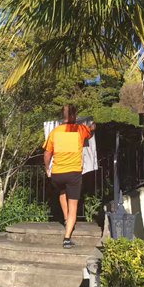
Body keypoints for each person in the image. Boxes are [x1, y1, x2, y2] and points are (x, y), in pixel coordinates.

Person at [43, 105, 96, 248]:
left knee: (62, 191)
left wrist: (47, 168)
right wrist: (92, 125)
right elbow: (91, 130)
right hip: (73, 173)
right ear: (74, 116)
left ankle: (66, 219)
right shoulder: (79, 129)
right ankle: (67, 238)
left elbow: (47, 154)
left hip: (57, 173)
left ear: (63, 116)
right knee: (73, 206)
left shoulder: (55, 132)